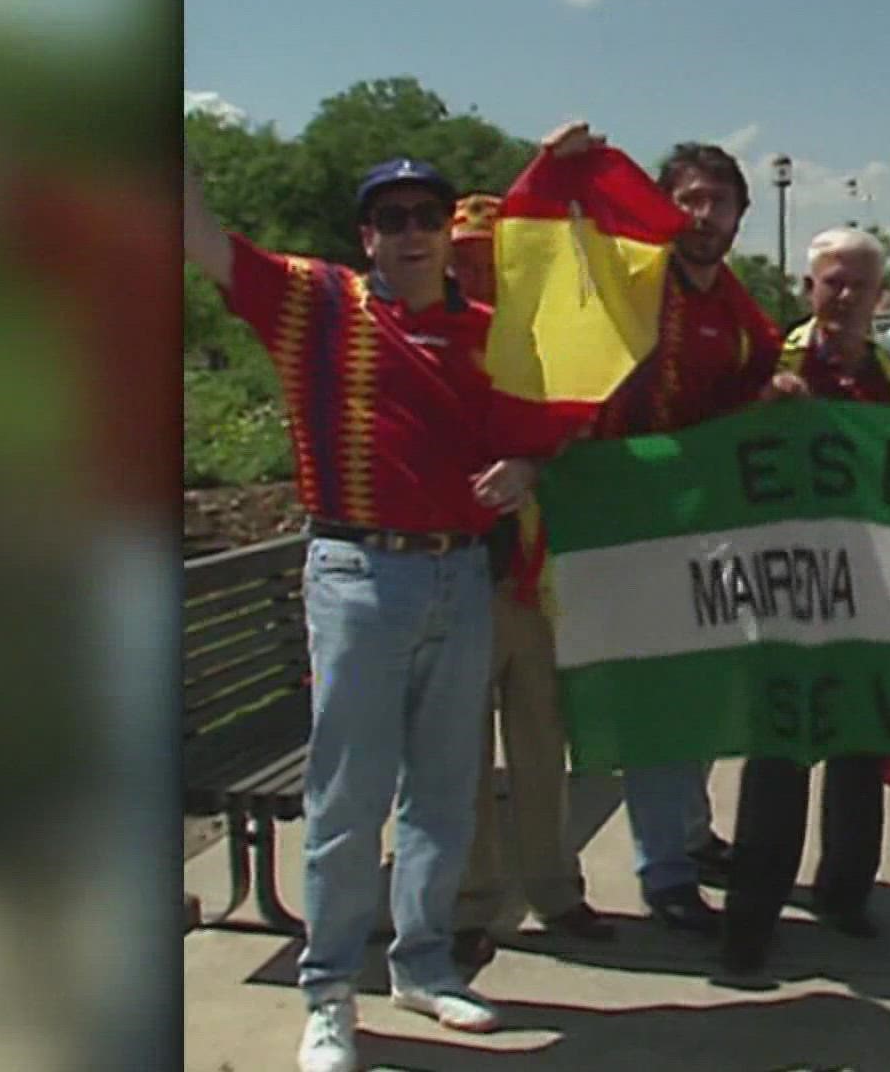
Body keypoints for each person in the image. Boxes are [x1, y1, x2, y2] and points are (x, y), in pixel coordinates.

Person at [186, 156, 539, 1070]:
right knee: (348, 799)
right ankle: (331, 991)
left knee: (446, 789)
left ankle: (423, 965)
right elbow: (202, 242)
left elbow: (533, 435)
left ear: (446, 234)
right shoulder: (316, 303)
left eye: (427, 213)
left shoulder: (491, 333)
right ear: (368, 235)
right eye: (393, 216)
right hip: (356, 573)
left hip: (460, 577)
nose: (413, 230)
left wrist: (528, 470)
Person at [535, 124, 782, 935]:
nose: (705, 215)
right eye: (689, 200)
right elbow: (533, 251)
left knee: (698, 698)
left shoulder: (743, 315)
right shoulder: (625, 280)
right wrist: (552, 168)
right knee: (648, 704)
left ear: (742, 214)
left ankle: (687, 836)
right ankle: (663, 874)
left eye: (719, 201)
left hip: (702, 537)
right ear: (664, 209)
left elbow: (742, 404)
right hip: (616, 530)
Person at [720, 227, 890, 974]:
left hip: (868, 591)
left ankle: (845, 893)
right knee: (778, 756)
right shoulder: (769, 363)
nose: (844, 296)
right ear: (809, 288)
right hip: (780, 590)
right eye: (832, 281)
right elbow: (719, 449)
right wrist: (762, 407)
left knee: (858, 749)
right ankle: (754, 913)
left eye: (859, 284)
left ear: (881, 295)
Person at [446, 192, 617, 969]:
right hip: (455, 576)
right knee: (463, 757)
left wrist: (540, 459)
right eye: (464, 253)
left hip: (535, 574)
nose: (473, 265)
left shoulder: (543, 346)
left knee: (544, 744)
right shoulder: (434, 340)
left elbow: (579, 439)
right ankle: (473, 903)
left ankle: (555, 890)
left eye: (487, 254)